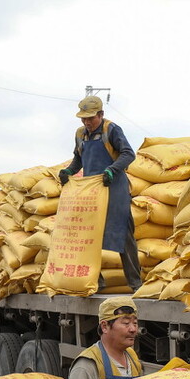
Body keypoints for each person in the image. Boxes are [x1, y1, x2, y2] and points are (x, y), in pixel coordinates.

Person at [57, 96, 143, 292]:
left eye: (91, 118)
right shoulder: (80, 134)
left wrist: (112, 169)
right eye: (83, 119)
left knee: (122, 233)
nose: (87, 122)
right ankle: (97, 281)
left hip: (114, 188)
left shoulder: (111, 129)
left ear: (101, 114)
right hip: (91, 192)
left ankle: (135, 283)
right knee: (89, 235)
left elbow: (128, 153)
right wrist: (69, 171)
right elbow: (78, 159)